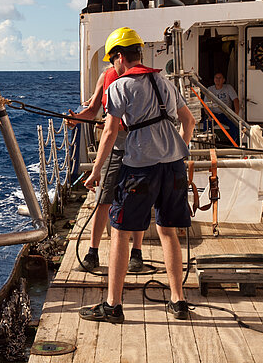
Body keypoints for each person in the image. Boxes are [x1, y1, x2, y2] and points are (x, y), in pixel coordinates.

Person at [79, 27, 196, 324]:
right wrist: (178, 149)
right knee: (168, 230)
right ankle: (179, 301)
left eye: (112, 60)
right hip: (174, 167)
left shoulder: (119, 87)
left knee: (119, 232)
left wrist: (95, 171)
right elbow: (189, 121)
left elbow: (109, 131)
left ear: (120, 57)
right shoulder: (164, 82)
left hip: (140, 169)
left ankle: (113, 306)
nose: (112, 65)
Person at [68, 65, 145, 273]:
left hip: (138, 148)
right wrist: (77, 119)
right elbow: (93, 110)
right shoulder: (105, 77)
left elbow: (143, 118)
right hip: (114, 148)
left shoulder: (142, 81)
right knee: (102, 198)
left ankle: (137, 253)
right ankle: (92, 253)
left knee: (137, 200)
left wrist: (118, 126)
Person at [204, 73, 240, 144]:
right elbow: (205, 104)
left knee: (235, 124)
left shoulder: (228, 88)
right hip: (214, 114)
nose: (218, 80)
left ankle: (234, 144)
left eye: (220, 78)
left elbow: (235, 100)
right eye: (216, 78)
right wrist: (208, 115)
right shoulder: (210, 89)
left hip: (226, 113)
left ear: (223, 80)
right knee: (207, 124)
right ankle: (209, 144)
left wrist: (236, 114)